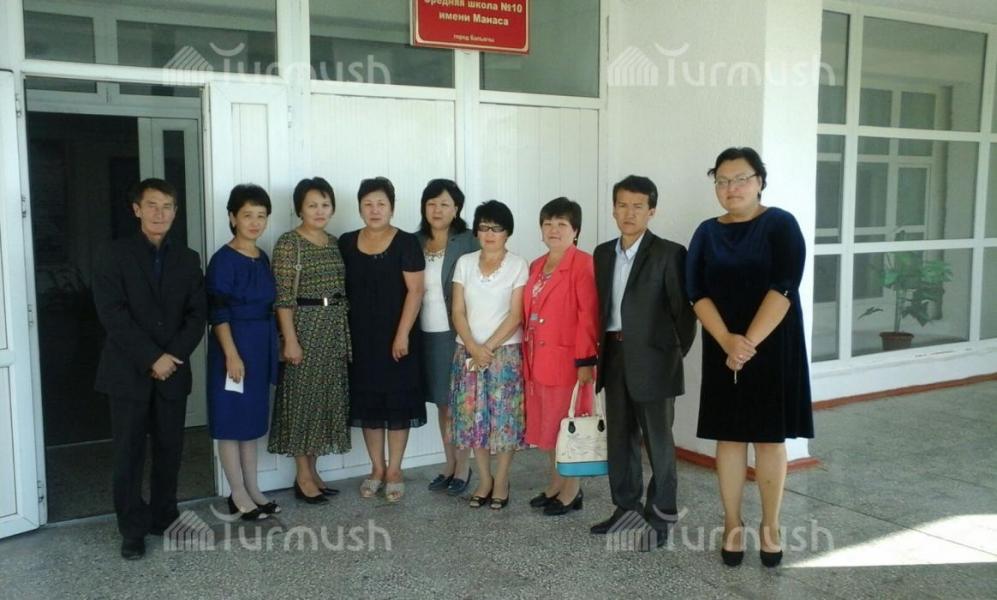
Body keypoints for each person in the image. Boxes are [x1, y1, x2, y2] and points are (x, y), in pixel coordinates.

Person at [686, 147, 813, 568]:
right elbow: (695, 292)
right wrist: (727, 340)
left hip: (773, 344)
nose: (731, 188)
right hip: (722, 344)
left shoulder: (781, 224)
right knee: (730, 436)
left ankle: (771, 526)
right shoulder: (706, 232)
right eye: (722, 181)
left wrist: (747, 343)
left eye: (740, 179)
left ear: (759, 181)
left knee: (769, 438)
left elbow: (785, 286)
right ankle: (732, 523)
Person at [92, 178, 207, 560]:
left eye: (167, 206)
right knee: (128, 455)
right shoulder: (113, 255)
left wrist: (171, 356)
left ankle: (164, 518)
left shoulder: (188, 258)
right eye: (152, 205)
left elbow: (197, 314)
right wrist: (151, 357)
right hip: (127, 373)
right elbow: (112, 313)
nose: (160, 213)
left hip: (172, 372)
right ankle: (132, 529)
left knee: (170, 450)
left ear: (176, 212)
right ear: (137, 209)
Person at [590, 175, 696, 550]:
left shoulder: (669, 253)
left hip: (655, 360)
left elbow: (684, 315)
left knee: (658, 444)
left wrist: (670, 356)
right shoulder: (603, 253)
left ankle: (660, 519)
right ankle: (626, 510)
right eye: (622, 205)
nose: (629, 213)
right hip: (614, 355)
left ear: (652, 211)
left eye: (638, 206)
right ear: (613, 209)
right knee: (620, 440)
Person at [339, 177, 426, 503]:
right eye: (368, 204)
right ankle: (376, 468)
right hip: (361, 338)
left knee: (397, 404)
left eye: (381, 204)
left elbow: (416, 291)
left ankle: (395, 470)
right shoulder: (347, 242)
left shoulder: (406, 242)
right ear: (359, 207)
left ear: (392, 207)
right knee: (370, 405)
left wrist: (402, 333)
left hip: (397, 337)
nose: (374, 210)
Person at [268, 177, 351, 504]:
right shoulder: (290, 243)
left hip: (333, 329)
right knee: (302, 401)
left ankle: (313, 472)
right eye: (312, 205)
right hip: (304, 328)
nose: (320, 211)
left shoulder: (333, 242)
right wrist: (290, 340)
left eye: (325, 204)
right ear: (299, 209)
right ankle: (302, 476)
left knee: (323, 401)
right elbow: (282, 298)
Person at [206, 184, 279, 521]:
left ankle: (253, 488)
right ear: (232, 217)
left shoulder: (262, 256)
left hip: (259, 345)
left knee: (251, 420)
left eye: (261, 216)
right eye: (247, 215)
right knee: (231, 419)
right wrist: (231, 355)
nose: (254, 222)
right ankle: (236, 494)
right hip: (232, 346)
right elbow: (218, 311)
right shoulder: (223, 260)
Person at [522, 197, 599, 516]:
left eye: (562, 224)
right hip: (537, 360)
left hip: (568, 362)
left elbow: (588, 316)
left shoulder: (583, 264)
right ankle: (555, 483)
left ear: (575, 230)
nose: (553, 230)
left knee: (568, 429)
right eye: (548, 223)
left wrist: (585, 361)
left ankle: (571, 491)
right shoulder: (536, 265)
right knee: (548, 426)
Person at [449, 200, 529, 510]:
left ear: (507, 232)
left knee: (504, 420)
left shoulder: (518, 265)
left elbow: (515, 315)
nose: (489, 233)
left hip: (504, 355)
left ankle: (502, 480)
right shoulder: (465, 263)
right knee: (474, 420)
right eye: (483, 227)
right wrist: (473, 346)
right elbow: (457, 310)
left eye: (496, 228)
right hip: (467, 353)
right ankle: (484, 479)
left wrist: (488, 348)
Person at [415, 179, 479, 496]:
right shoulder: (415, 241)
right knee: (442, 404)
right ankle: (449, 463)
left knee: (459, 404)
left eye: (444, 204)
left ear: (456, 209)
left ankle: (463, 467)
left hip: (458, 334)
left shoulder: (469, 241)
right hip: (425, 335)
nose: (437, 210)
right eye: (431, 203)